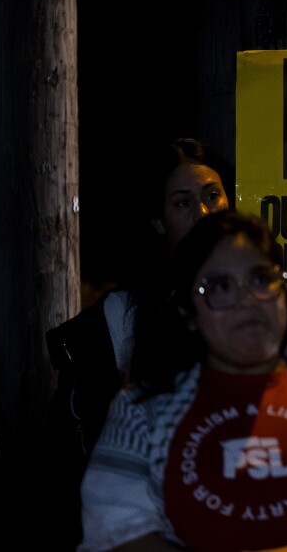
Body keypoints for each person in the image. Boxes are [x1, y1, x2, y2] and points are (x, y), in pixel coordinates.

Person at [78, 210, 287, 552]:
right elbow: (115, 533)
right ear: (187, 313)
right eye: (220, 286)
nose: (247, 298)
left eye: (261, 278)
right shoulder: (141, 412)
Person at [44, 137, 234, 550]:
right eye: (183, 202)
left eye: (212, 196)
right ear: (159, 222)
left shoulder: (260, 297)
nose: (203, 212)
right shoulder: (123, 315)